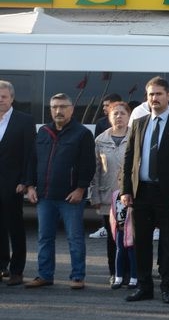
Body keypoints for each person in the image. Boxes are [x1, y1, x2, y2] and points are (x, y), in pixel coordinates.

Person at [121, 77, 169, 304]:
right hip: (141, 192)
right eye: (151, 94)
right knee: (141, 242)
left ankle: (167, 287)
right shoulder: (139, 123)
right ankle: (144, 286)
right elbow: (129, 157)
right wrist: (126, 189)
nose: (154, 98)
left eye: (159, 94)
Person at [25, 93, 95, 290]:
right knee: (44, 238)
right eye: (55, 107)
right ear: (50, 109)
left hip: (70, 197)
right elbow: (32, 161)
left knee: (75, 238)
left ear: (72, 109)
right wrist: (30, 186)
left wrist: (81, 189)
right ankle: (44, 275)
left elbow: (88, 165)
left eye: (63, 106)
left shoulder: (82, 134)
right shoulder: (43, 132)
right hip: (44, 196)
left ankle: (77, 276)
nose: (58, 111)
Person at [90, 101, 133, 288]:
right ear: (109, 116)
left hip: (130, 196)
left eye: (123, 113)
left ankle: (132, 273)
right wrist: (95, 197)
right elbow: (96, 171)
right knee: (113, 237)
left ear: (129, 116)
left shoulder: (136, 137)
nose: (119, 117)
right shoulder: (100, 140)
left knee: (131, 237)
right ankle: (114, 272)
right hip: (108, 195)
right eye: (115, 113)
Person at [0, 80, 35, 286]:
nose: (0, 100)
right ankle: (1, 265)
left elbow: (30, 154)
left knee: (15, 227)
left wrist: (26, 181)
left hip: (14, 184)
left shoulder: (24, 120)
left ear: (12, 98)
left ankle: (17, 270)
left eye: (3, 97)